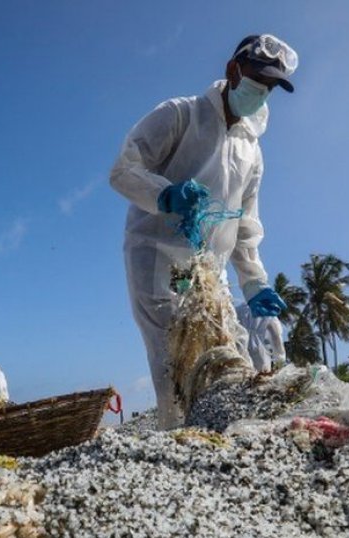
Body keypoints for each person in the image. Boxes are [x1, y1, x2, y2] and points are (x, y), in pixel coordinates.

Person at [109, 34, 297, 430]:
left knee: (225, 354)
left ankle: (217, 438)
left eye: (270, 89)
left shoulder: (252, 151)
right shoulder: (181, 115)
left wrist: (254, 283)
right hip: (158, 256)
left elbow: (245, 225)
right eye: (257, 81)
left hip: (211, 272)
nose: (261, 93)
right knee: (172, 360)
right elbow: (123, 170)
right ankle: (177, 438)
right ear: (233, 70)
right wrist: (165, 195)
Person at [236, 303, 286, 373]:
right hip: (259, 350)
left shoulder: (238, 309)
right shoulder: (268, 313)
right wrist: (280, 359)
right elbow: (276, 338)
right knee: (261, 379)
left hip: (240, 347)